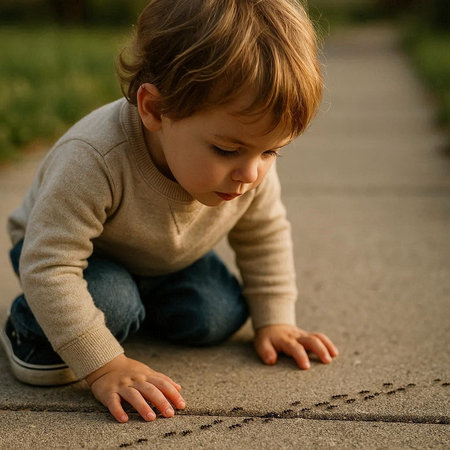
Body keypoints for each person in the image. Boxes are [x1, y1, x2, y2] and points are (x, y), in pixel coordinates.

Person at [1, 0, 338, 423]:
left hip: (161, 258)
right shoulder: (94, 157)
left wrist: (275, 320)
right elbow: (49, 263)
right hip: (65, 258)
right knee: (113, 302)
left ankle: (126, 310)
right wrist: (106, 365)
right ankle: (31, 327)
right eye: (227, 149)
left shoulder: (248, 164)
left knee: (217, 316)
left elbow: (264, 233)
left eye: (271, 150)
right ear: (155, 110)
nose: (250, 173)